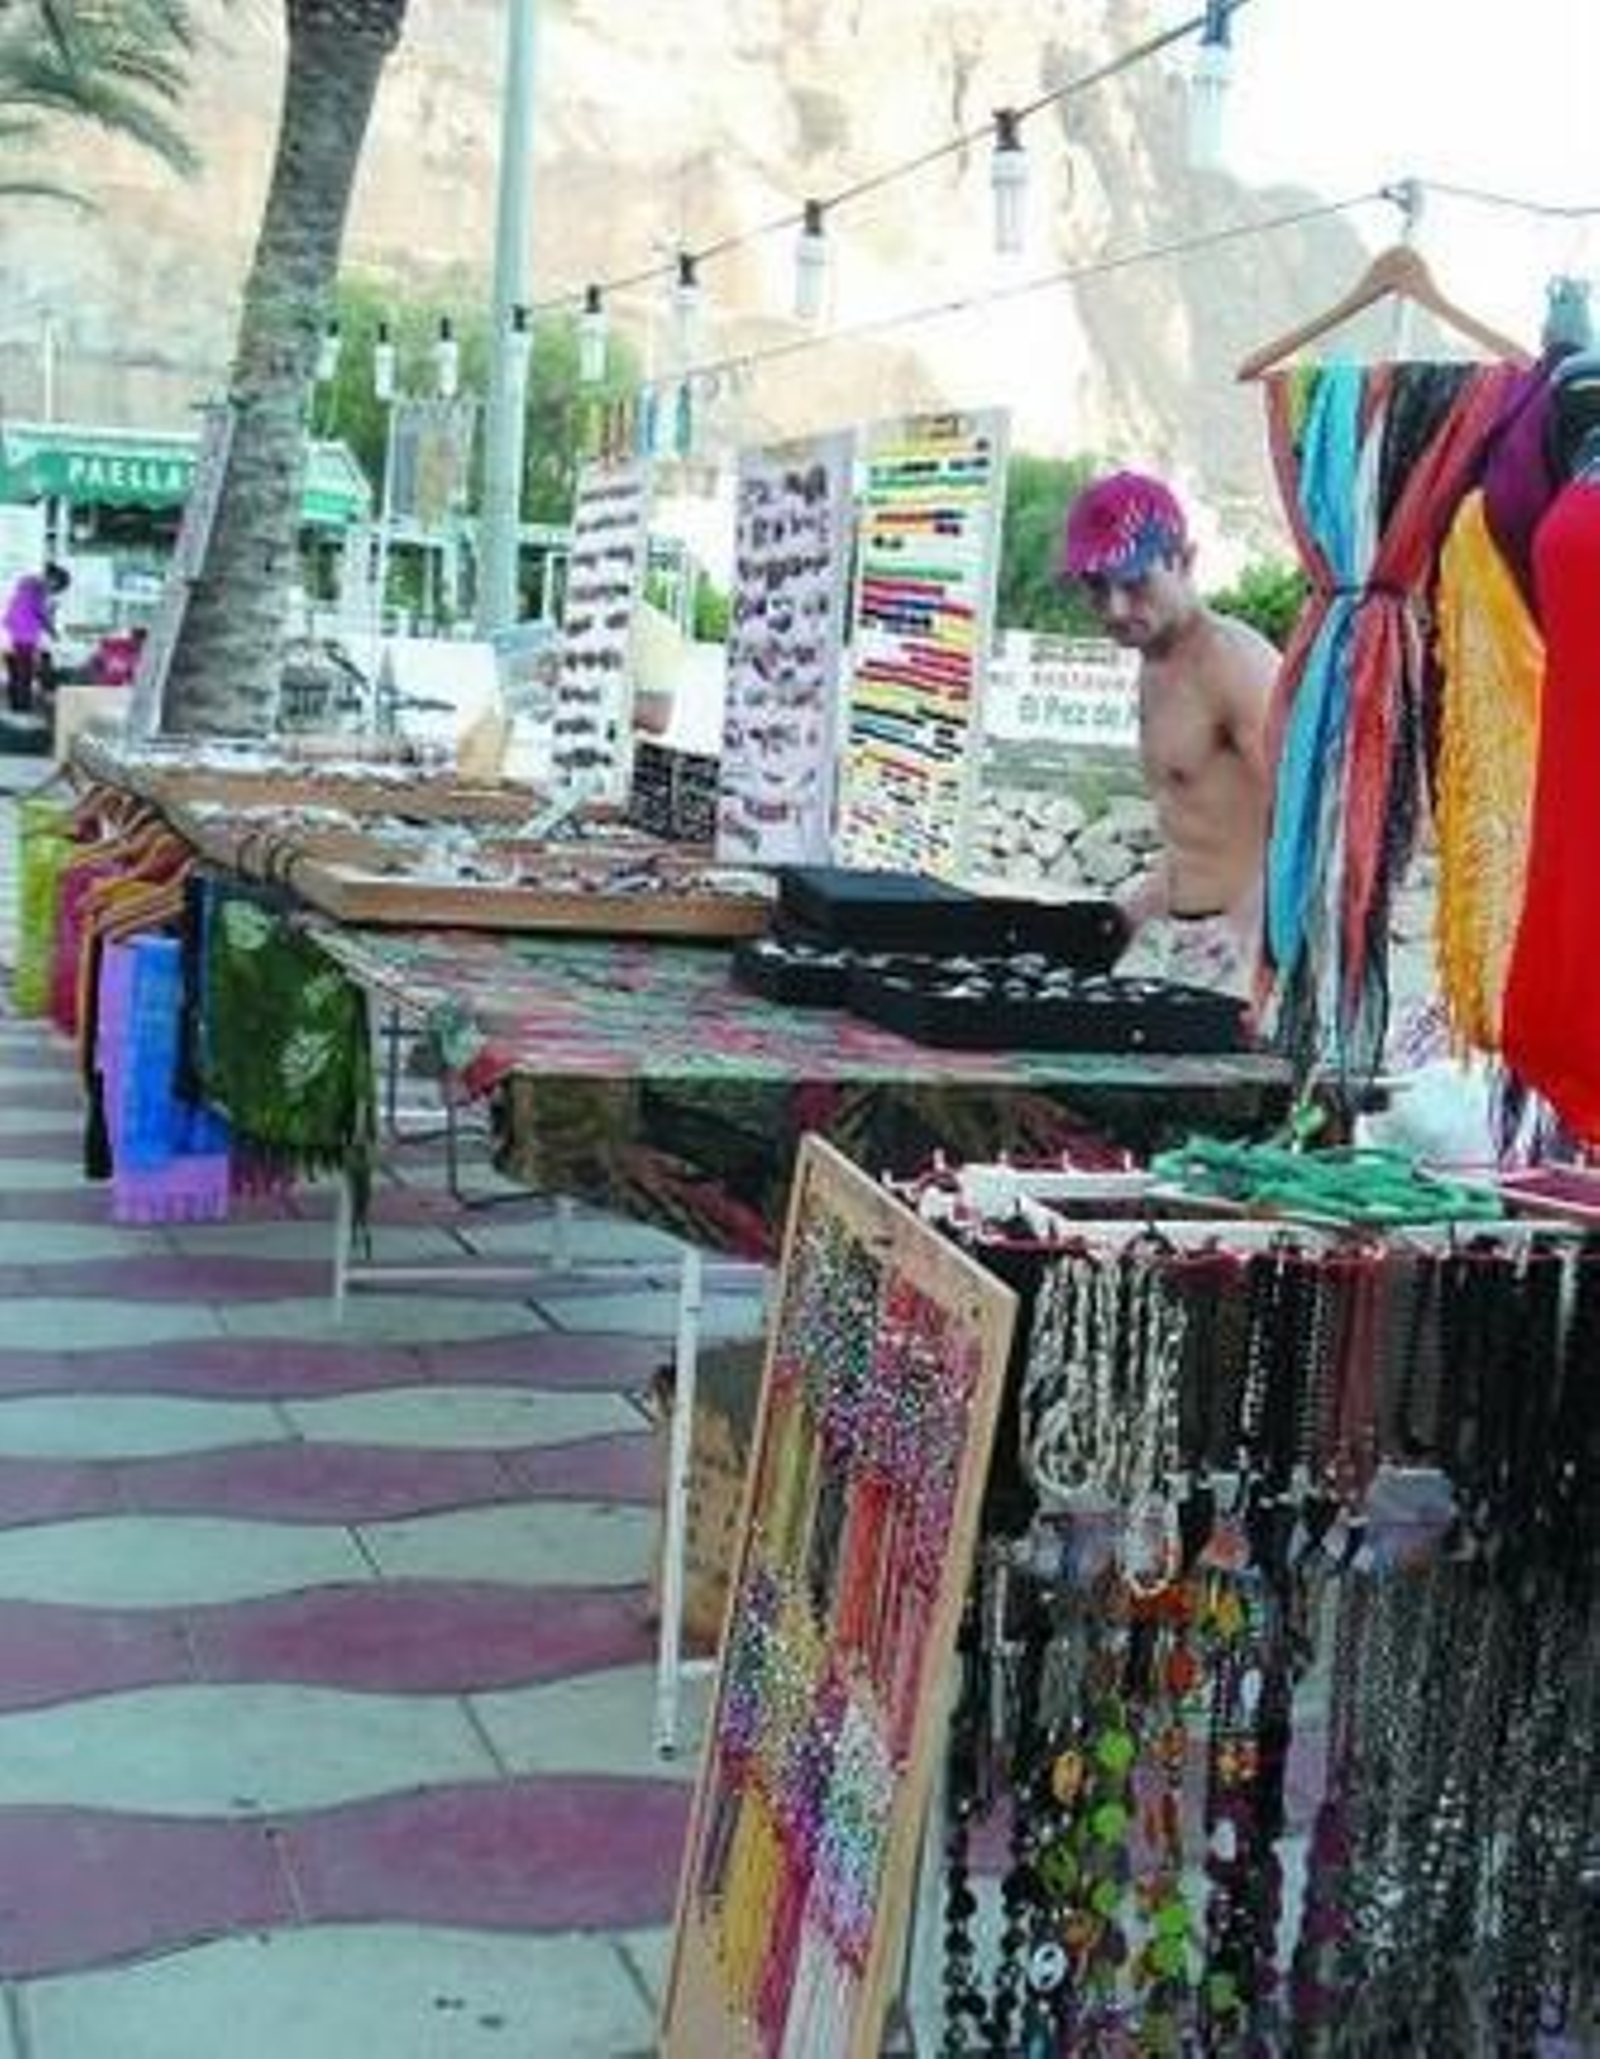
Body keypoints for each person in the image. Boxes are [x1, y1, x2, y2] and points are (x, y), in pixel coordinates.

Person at [1060, 471, 1279, 996]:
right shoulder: (1155, 664)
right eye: (1096, 587)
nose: (1114, 609)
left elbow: (1312, 821)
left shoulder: (1234, 663)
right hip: (1192, 943)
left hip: (1253, 949)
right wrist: (1127, 915)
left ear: (1185, 561)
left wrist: (1250, 927)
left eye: (1135, 583)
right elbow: (1199, 827)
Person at [3, 561, 70, 715]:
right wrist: (53, 631)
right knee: (24, 673)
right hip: (24, 635)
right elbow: (42, 615)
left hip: (14, 631)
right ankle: (22, 709)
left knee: (16, 672)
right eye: (57, 587)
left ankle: (16, 707)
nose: (55, 591)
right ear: (53, 580)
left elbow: (33, 611)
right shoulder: (37, 588)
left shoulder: (28, 584)